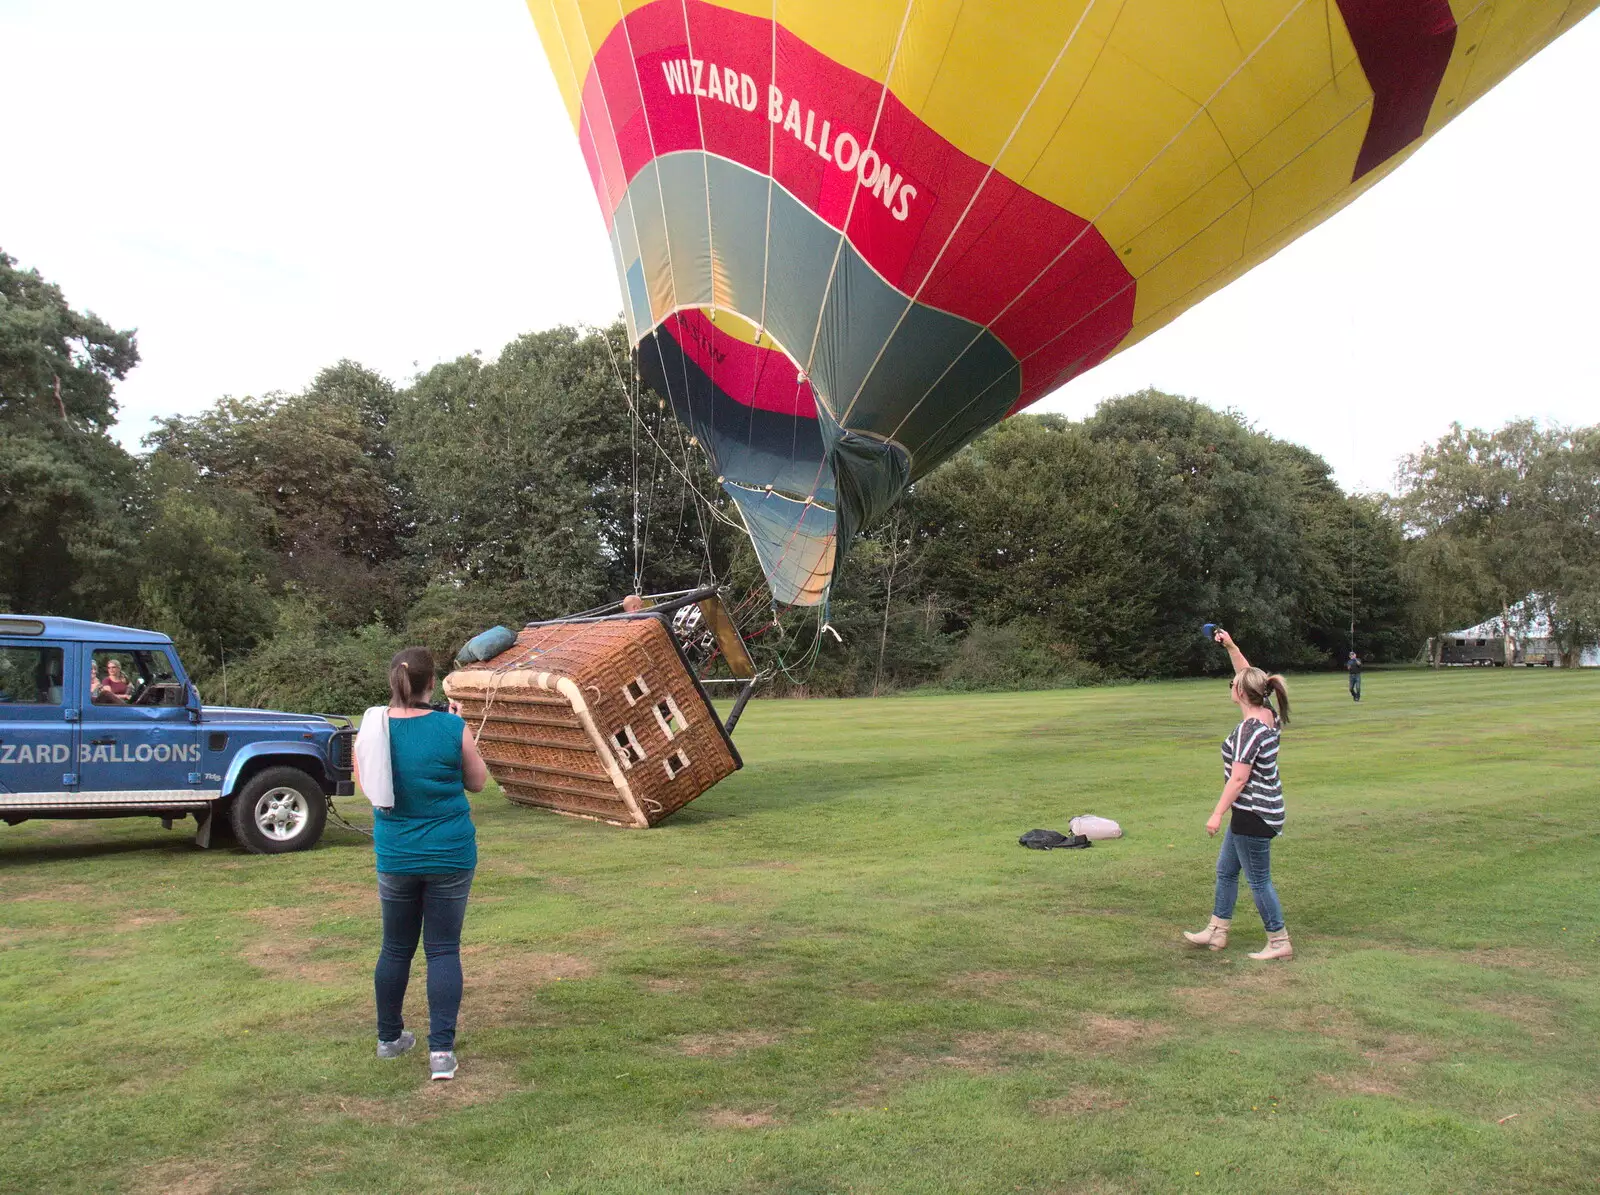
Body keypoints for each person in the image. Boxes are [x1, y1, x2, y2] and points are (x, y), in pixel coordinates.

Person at [356, 647, 489, 1080]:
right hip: (449, 854)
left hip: (396, 855)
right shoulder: (453, 726)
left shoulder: (372, 729)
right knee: (443, 949)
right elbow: (478, 782)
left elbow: (368, 785)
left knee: (395, 947)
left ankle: (389, 1038)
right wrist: (453, 725)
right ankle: (441, 1053)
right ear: (431, 683)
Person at [1183, 629, 1294, 961]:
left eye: (1233, 685)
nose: (1230, 685)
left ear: (1242, 694)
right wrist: (1230, 646)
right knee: (1226, 871)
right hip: (1259, 811)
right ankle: (1217, 932)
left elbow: (1239, 778)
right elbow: (1246, 675)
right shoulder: (1268, 715)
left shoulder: (1249, 730)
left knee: (1259, 881)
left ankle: (1279, 941)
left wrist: (1217, 813)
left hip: (1253, 814)